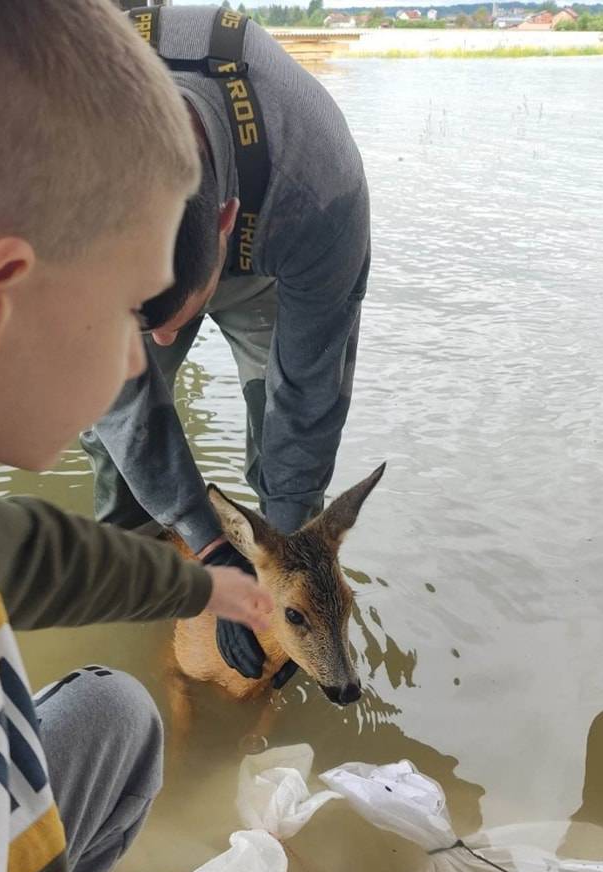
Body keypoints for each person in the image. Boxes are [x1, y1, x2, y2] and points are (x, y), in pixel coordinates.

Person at [0, 3, 272, 872]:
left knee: (117, 716)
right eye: (133, 312)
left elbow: (43, 555)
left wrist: (203, 580)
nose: (140, 365)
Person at [82, 3, 371, 687]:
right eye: (136, 320)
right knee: (114, 439)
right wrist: (208, 545)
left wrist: (274, 575)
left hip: (276, 258)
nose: (160, 342)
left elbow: (308, 397)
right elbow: (122, 398)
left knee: (285, 458)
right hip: (144, 250)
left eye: (167, 319)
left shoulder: (322, 190)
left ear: (223, 224)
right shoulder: (52, 150)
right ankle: (138, 590)